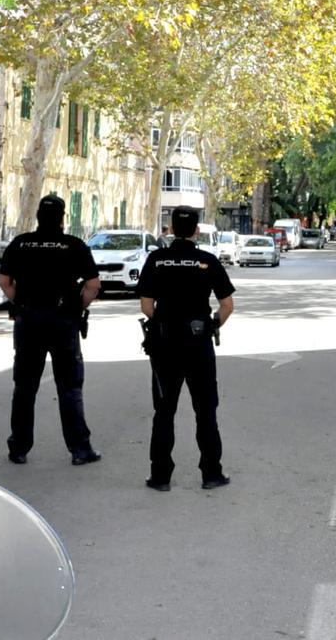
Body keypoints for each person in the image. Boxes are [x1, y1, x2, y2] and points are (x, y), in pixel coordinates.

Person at [136, 204, 235, 492]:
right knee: (205, 410)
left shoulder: (156, 260)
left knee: (164, 411)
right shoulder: (207, 261)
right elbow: (227, 305)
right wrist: (211, 324)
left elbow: (146, 305)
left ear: (169, 229)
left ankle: (161, 476)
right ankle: (211, 474)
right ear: (196, 230)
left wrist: (167, 322)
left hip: (164, 345)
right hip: (198, 343)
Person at [0, 195, 102, 466]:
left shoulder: (20, 243)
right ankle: (80, 449)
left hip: (28, 322)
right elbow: (93, 285)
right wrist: (76, 307)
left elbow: (4, 282)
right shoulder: (74, 246)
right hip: (63, 322)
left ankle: (18, 448)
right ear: (63, 217)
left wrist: (20, 303)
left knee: (24, 387)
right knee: (69, 387)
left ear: (37, 217)